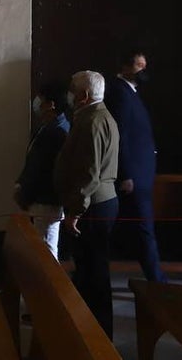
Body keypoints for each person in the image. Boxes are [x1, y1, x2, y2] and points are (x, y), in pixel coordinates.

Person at [54, 70, 119, 340]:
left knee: (94, 274)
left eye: (72, 89)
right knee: (89, 271)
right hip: (95, 204)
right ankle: (88, 330)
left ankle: (98, 336)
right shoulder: (95, 115)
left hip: (93, 206)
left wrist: (75, 212)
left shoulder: (92, 121)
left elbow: (89, 173)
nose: (69, 94)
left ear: (84, 95)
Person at [103, 49, 166, 284]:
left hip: (140, 176)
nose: (144, 71)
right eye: (140, 65)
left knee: (141, 231)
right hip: (133, 178)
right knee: (143, 231)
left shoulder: (131, 93)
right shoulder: (120, 93)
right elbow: (121, 136)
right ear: (127, 67)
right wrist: (126, 173)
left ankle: (156, 279)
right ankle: (158, 282)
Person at [13, 79, 70, 259]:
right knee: (42, 248)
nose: (36, 102)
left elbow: (41, 169)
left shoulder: (56, 131)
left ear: (50, 104)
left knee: (46, 251)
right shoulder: (48, 128)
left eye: (40, 98)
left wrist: (25, 193)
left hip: (47, 200)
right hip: (41, 200)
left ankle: (48, 287)